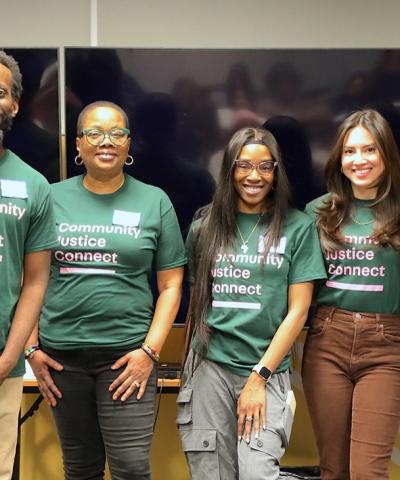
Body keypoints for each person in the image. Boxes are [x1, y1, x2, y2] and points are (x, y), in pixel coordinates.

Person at [25, 100, 186, 480]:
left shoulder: (154, 201)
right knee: (80, 470)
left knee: (131, 469)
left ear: (129, 144)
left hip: (128, 358)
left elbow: (172, 285)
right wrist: (30, 349)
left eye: (117, 133)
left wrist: (150, 352)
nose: (106, 141)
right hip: (62, 359)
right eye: (95, 133)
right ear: (78, 145)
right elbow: (28, 279)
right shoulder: (50, 198)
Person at [178, 127, 326, 479]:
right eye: (243, 166)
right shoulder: (204, 226)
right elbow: (197, 302)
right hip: (209, 366)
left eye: (265, 167)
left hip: (265, 368)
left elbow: (299, 310)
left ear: (276, 172)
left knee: (257, 472)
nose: (254, 176)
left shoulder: (298, 226)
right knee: (211, 473)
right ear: (229, 170)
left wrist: (258, 378)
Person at [302, 109, 400, 480]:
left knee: (368, 472)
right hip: (328, 341)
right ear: (338, 159)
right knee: (334, 470)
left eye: (369, 150)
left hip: (388, 346)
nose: (359, 160)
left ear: (385, 155)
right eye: (349, 151)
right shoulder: (318, 212)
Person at [0, 50, 57, 480]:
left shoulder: (33, 185)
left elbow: (35, 282)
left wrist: (9, 358)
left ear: (14, 104)